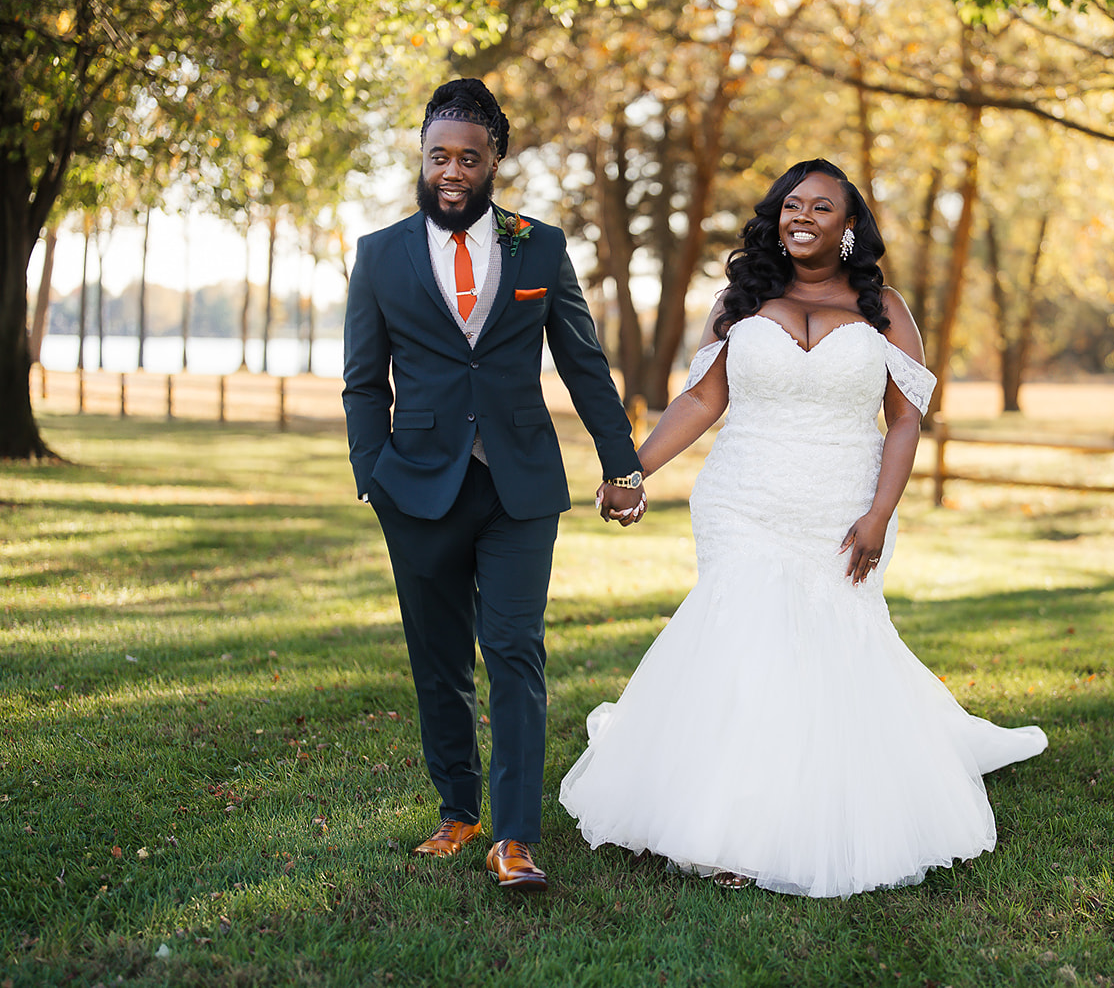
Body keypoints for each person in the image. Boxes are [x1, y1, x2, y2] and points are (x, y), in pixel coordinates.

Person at [559, 158, 1047, 898]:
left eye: (822, 207)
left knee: (828, 646)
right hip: (742, 500)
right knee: (746, 644)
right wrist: (632, 471)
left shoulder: (886, 308)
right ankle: (732, 828)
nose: (802, 216)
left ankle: (816, 798)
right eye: (792, 204)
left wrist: (879, 514)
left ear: (849, 226)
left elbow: (905, 420)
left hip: (842, 507)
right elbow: (700, 400)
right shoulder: (740, 300)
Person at [343, 78, 645, 894]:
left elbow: (582, 361)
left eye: (468, 158)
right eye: (438, 155)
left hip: (520, 487)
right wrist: (371, 470)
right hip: (415, 488)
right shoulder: (379, 254)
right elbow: (364, 382)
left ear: (495, 161)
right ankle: (459, 811)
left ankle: (512, 837)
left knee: (514, 650)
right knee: (438, 659)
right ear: (422, 156)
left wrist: (622, 464)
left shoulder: (538, 247)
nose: (451, 170)